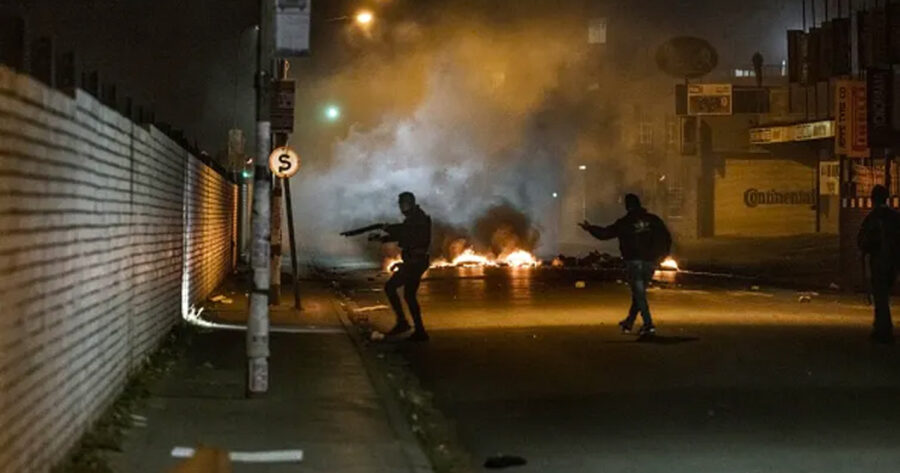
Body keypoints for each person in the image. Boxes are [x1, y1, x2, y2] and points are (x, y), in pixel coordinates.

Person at [579, 193, 672, 336]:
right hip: (650, 262)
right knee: (638, 294)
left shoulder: (625, 222)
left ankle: (648, 324)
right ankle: (629, 322)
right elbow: (666, 238)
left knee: (639, 294)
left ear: (627, 206)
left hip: (634, 261)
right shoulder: (654, 220)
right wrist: (661, 257)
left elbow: (605, 233)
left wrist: (590, 228)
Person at [376, 192, 432, 341]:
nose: (401, 207)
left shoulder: (417, 219)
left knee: (391, 288)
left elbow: (405, 233)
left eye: (403, 204)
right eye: (400, 204)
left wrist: (386, 229)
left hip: (415, 262)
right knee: (409, 295)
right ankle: (418, 330)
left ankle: (403, 323)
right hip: (414, 262)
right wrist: (383, 237)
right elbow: (403, 234)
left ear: (410, 203)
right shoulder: (415, 218)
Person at [857, 184, 900, 344]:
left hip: (878, 261)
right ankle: (882, 327)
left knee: (880, 296)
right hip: (893, 262)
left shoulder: (873, 217)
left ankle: (883, 329)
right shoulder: (895, 217)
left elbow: (862, 239)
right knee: (885, 295)